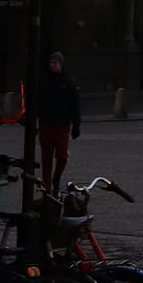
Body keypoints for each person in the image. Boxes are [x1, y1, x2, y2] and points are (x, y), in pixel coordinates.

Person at [38, 50, 82, 195]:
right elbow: (38, 104)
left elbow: (75, 106)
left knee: (62, 157)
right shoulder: (44, 82)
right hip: (46, 126)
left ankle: (55, 179)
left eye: (55, 62)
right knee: (46, 159)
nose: (52, 65)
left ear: (61, 64)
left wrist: (76, 125)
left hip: (62, 127)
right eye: (51, 62)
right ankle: (47, 186)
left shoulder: (69, 83)